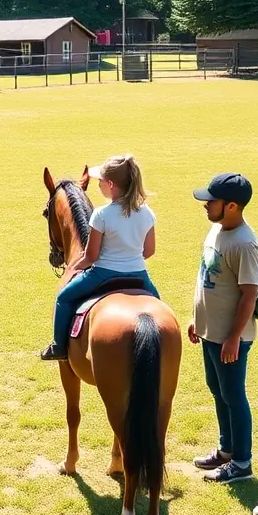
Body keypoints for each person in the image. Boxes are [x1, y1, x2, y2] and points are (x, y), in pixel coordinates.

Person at [41, 155, 160, 361]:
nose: (98, 185)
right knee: (159, 308)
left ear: (111, 185)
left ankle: (59, 347)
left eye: (100, 181)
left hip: (103, 274)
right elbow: (149, 251)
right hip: (139, 275)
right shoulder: (147, 212)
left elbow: (91, 255)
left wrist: (73, 268)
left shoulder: (102, 214)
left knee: (64, 298)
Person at [189, 173, 258, 483]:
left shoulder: (245, 244)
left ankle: (242, 464)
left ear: (232, 206)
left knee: (233, 395)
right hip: (210, 331)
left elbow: (249, 295)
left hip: (230, 337)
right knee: (217, 390)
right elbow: (209, 278)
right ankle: (227, 450)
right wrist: (197, 319)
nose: (205, 204)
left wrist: (233, 338)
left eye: (212, 200)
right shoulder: (216, 230)